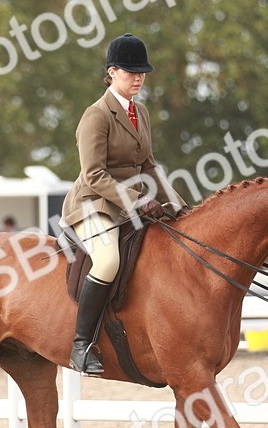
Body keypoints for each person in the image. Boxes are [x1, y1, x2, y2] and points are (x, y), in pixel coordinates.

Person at [59, 33, 189, 375]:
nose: (139, 77)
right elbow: (93, 175)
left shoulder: (140, 112)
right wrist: (138, 200)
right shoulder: (96, 115)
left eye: (142, 71)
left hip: (130, 204)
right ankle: (81, 345)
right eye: (131, 71)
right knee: (107, 261)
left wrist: (176, 205)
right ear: (112, 72)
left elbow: (149, 166)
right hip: (93, 204)